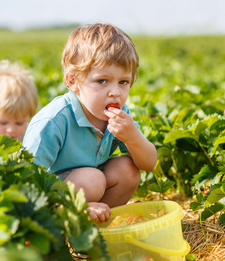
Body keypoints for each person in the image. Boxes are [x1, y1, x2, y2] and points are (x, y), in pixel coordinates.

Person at [23, 22, 157, 223]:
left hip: (87, 185)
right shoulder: (54, 120)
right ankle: (69, 221)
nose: (115, 92)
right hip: (52, 195)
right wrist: (73, 206)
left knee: (128, 170)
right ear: (72, 82)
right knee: (92, 180)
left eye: (123, 82)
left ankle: (97, 227)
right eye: (102, 81)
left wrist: (133, 138)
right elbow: (27, 180)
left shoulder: (121, 115)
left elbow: (148, 163)